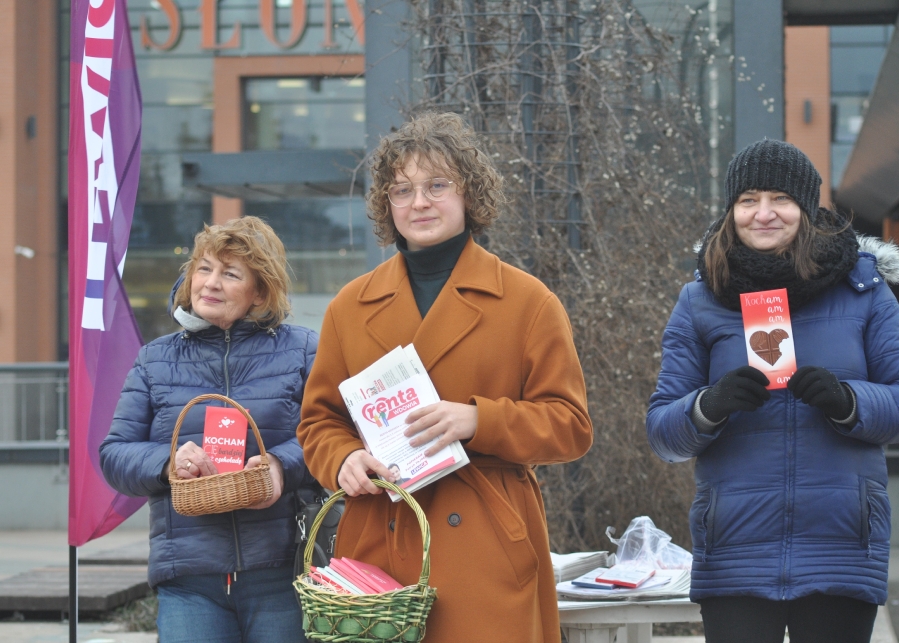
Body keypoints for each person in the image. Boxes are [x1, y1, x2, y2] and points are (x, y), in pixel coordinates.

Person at [297, 111, 593, 643]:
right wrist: (342, 459)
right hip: (378, 544)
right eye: (402, 190)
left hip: (486, 543)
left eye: (437, 185)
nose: (419, 202)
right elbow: (319, 422)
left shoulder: (528, 302)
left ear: (468, 194)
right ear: (387, 204)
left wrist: (479, 420)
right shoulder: (349, 306)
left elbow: (570, 426)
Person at [646, 140, 899, 643]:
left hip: (842, 546)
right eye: (748, 200)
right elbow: (662, 434)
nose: (764, 213)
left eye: (780, 198)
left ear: (805, 206)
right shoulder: (700, 298)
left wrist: (848, 402)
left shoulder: (864, 291)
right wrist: (707, 407)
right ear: (731, 210)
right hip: (735, 549)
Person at [100, 216, 319, 643]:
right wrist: (168, 463)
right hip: (189, 579)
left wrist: (280, 466)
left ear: (260, 292)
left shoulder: (303, 349)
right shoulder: (154, 360)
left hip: (282, 572)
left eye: (230, 273)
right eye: (204, 268)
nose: (210, 283)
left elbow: (332, 435)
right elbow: (114, 453)